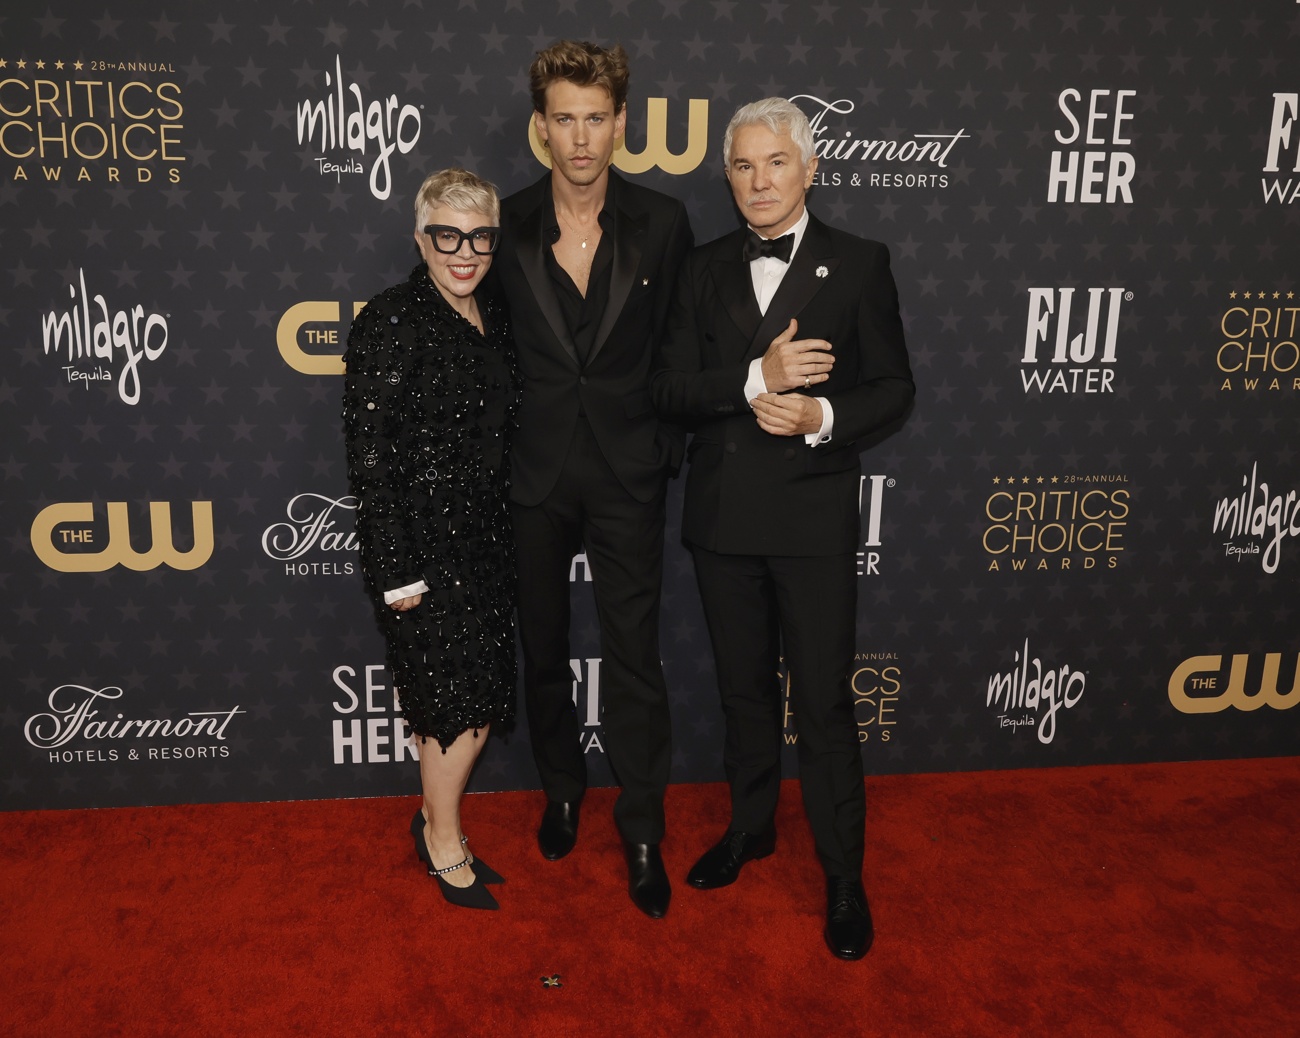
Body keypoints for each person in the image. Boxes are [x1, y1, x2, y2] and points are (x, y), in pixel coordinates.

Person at [651, 98, 915, 958]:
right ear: (726, 176)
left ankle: (844, 877)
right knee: (743, 693)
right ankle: (752, 829)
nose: (758, 182)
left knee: (827, 704)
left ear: (809, 169)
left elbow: (894, 389)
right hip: (724, 520)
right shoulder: (700, 267)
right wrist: (752, 377)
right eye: (741, 166)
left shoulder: (863, 262)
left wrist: (820, 417)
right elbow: (669, 390)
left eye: (775, 163)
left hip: (812, 518)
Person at [491, 39, 693, 918]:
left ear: (621, 123)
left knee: (635, 658)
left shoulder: (664, 222)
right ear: (542, 128)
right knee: (543, 651)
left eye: (596, 119)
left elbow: (682, 351)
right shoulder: (505, 222)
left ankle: (642, 826)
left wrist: (662, 452)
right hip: (534, 473)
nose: (580, 137)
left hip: (626, 474)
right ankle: (563, 790)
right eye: (564, 119)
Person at [342, 168, 519, 911]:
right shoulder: (391, 320)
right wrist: (395, 572)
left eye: (479, 237)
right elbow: (371, 458)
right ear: (420, 238)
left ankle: (434, 818)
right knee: (451, 704)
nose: (463, 252)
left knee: (478, 694)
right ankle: (443, 839)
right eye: (447, 235)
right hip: (421, 551)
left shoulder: (498, 313)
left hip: (487, 541)